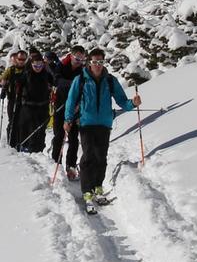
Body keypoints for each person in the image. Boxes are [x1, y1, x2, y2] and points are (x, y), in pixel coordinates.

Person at [64, 47, 140, 213]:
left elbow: (121, 101)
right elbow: (71, 100)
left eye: (100, 62)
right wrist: (68, 119)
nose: (98, 65)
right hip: (86, 123)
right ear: (89, 62)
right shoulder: (81, 79)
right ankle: (87, 191)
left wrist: (133, 104)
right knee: (88, 156)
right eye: (94, 62)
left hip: (105, 124)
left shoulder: (110, 80)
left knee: (101, 157)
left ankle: (98, 187)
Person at [50, 45, 87, 180]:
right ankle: (55, 164)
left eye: (82, 59)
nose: (79, 61)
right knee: (59, 135)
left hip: (75, 107)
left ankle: (70, 166)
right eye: (77, 58)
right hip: (60, 104)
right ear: (71, 56)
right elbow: (57, 80)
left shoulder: (83, 70)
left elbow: (85, 87)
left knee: (73, 138)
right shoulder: (62, 65)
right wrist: (73, 84)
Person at [14, 52, 55, 152]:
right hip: (28, 107)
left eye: (40, 65)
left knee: (40, 130)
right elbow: (18, 84)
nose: (38, 67)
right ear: (31, 64)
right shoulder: (27, 74)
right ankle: (25, 147)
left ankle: (38, 149)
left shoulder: (46, 74)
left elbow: (54, 81)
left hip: (43, 106)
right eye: (35, 65)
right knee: (27, 127)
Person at [0, 50, 28, 145]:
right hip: (12, 99)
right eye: (20, 59)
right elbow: (0, 81)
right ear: (16, 59)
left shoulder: (28, 70)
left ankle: (21, 142)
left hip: (25, 100)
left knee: (23, 122)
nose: (21, 61)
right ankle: (11, 142)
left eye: (23, 59)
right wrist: (3, 84)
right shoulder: (11, 70)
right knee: (12, 121)